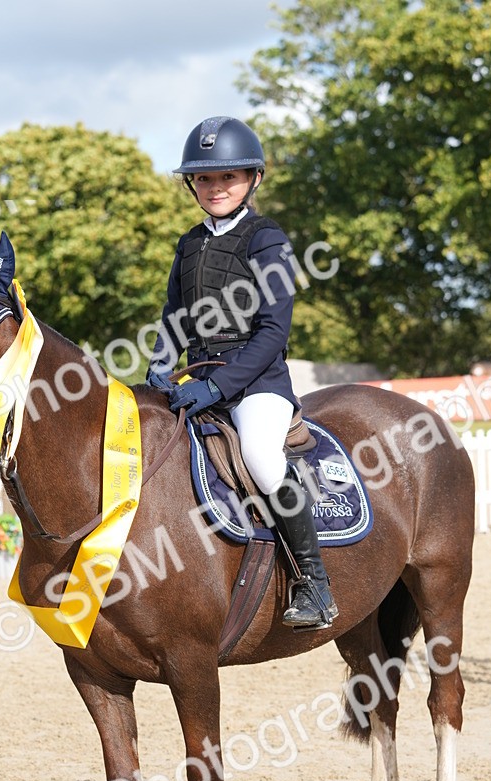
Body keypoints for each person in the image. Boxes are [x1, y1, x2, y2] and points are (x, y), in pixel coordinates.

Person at [147, 115, 337, 629]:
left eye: (227, 177)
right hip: (199, 379)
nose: (215, 188)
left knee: (259, 455)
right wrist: (163, 362)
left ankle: (314, 584)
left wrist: (217, 387)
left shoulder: (266, 238)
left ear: (253, 178)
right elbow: (174, 316)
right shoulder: (189, 244)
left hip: (256, 385)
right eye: (205, 179)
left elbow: (274, 332)